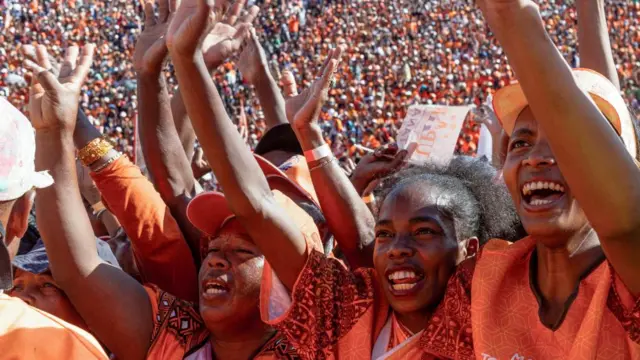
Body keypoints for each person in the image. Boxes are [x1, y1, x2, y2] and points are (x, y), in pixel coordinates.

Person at [417, 0, 640, 358]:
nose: (535, 158)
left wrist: (515, 21)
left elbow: (626, 220)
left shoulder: (628, 284)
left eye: (564, 143)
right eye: (520, 143)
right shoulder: (479, 284)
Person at [0, 97, 107, 359]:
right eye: (18, 284)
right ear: (22, 217)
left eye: (47, 286)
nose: (23, 297)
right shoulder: (65, 348)